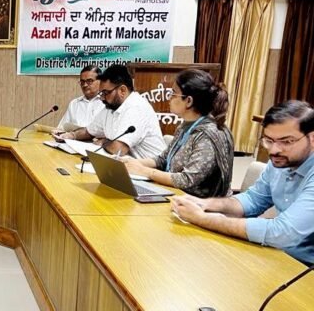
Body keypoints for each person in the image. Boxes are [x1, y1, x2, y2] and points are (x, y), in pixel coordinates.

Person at [172, 100, 314, 265]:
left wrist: (202, 218)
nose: (274, 150)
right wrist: (205, 204)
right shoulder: (281, 161)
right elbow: (253, 200)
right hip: (278, 255)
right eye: (269, 140)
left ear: (312, 138)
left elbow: (282, 234)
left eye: (287, 141)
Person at [123, 69, 234, 197]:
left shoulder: (208, 135)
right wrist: (132, 163)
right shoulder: (184, 126)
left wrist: (144, 171)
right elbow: (163, 160)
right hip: (178, 195)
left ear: (189, 101)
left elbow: (186, 180)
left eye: (173, 94)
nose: (169, 98)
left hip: (201, 203)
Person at [54, 64, 166, 159]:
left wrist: (104, 142)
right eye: (101, 93)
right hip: (127, 166)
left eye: (106, 93)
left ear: (122, 90)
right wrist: (71, 135)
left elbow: (119, 149)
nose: (102, 98)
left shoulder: (136, 107)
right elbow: (89, 131)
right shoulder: (111, 107)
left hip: (150, 171)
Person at [36, 65, 104, 134]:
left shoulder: (106, 103)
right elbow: (62, 128)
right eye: (82, 82)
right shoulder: (74, 103)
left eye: (89, 81)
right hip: (73, 139)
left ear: (101, 82)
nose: (85, 85)